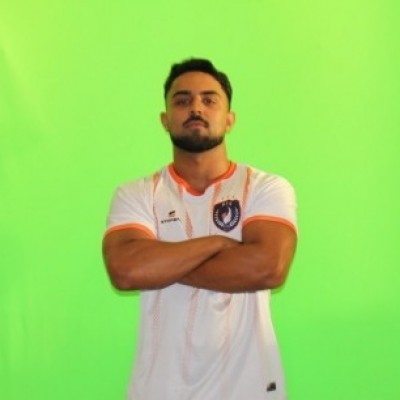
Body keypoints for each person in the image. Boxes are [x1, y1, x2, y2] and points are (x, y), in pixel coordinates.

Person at [102, 58, 297, 400]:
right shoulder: (136, 194)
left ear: (230, 118)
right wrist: (218, 242)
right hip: (160, 389)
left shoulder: (265, 188)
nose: (196, 108)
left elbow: (268, 267)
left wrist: (159, 264)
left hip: (249, 388)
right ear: (165, 119)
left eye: (209, 100)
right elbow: (126, 271)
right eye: (182, 100)